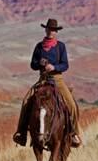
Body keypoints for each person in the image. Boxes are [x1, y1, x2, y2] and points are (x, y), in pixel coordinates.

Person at [13, 18, 83, 148]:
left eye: (54, 30)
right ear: (46, 30)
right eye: (49, 29)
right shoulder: (39, 47)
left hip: (57, 79)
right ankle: (21, 133)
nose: (51, 32)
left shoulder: (60, 46)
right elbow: (32, 65)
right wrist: (39, 64)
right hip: (43, 79)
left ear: (56, 32)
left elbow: (65, 65)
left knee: (71, 104)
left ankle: (74, 133)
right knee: (26, 100)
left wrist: (54, 67)